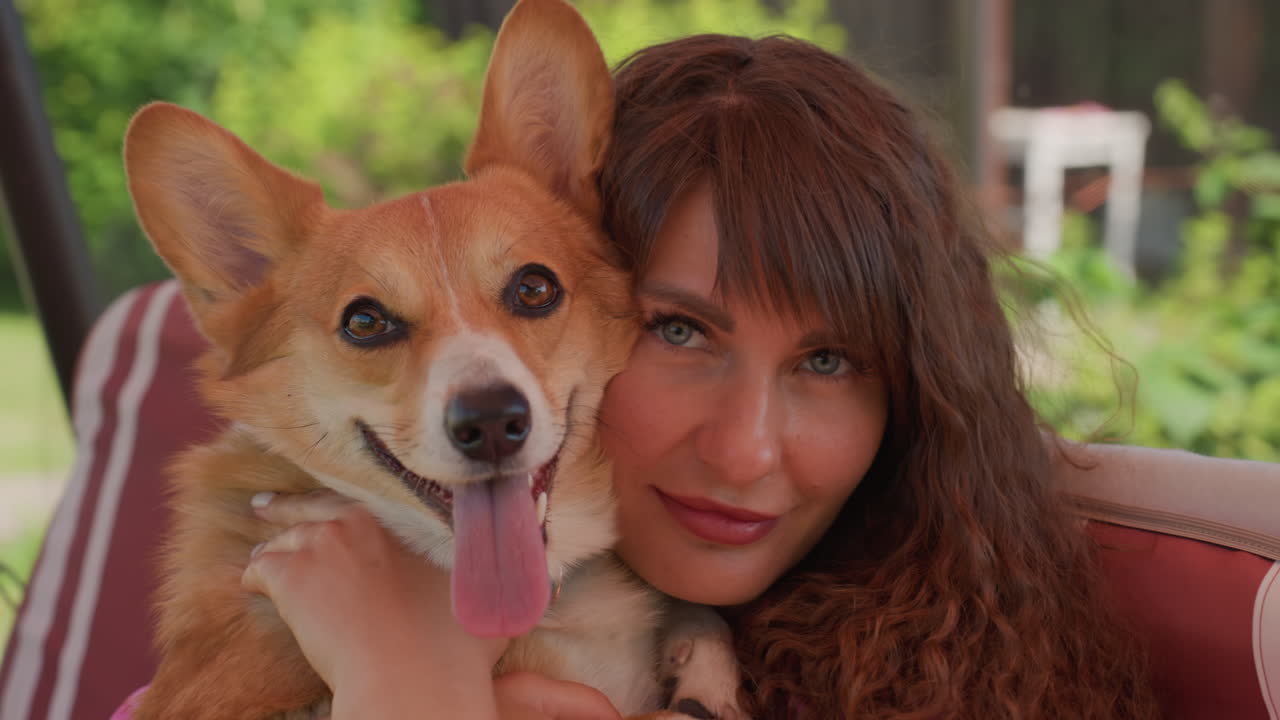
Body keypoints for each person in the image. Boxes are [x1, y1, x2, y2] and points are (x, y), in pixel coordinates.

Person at [238, 34, 1162, 719]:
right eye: (679, 330)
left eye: (829, 361)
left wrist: (406, 684)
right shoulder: (319, 582)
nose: (744, 448)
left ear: (919, 389)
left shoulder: (967, 676)